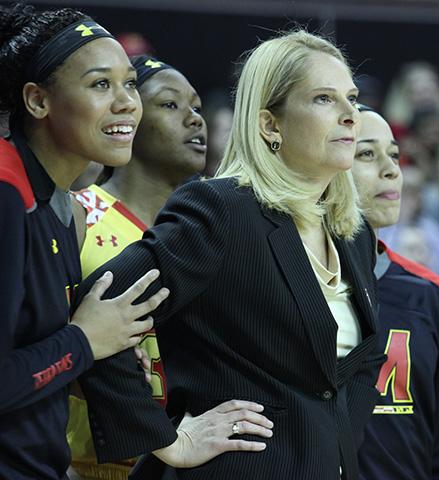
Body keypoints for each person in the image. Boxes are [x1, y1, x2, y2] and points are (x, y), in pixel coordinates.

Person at [71, 30, 383, 479]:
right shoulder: (223, 210)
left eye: (351, 98)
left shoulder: (351, 232)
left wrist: (336, 441)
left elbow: (360, 363)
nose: (351, 115)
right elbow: (101, 302)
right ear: (269, 125)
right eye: (324, 99)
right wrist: (167, 440)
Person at [67, 55, 270, 480]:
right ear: (128, 116)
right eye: (171, 105)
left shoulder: (216, 227)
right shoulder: (77, 216)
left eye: (196, 106)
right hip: (89, 466)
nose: (194, 118)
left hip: (193, 463)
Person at [0, 4, 174, 478]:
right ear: (38, 101)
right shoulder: (7, 192)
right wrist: (83, 342)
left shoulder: (61, 206)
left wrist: (91, 357)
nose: (126, 103)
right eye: (101, 84)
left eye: (130, 84)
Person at [351, 105, 439, 479]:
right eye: (366, 154)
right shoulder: (275, 281)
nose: (391, 170)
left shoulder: (429, 292)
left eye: (394, 155)